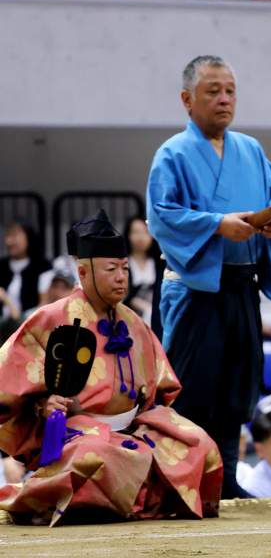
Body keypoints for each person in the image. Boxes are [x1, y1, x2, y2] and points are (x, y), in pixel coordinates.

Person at [0, 211, 222, 526]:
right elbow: (7, 383)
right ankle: (65, 497)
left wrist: (148, 415)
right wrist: (41, 403)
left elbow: (162, 387)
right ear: (83, 272)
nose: (121, 277)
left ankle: (132, 501)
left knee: (199, 443)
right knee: (95, 455)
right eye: (111, 269)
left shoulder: (134, 322)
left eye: (125, 269)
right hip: (77, 432)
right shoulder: (48, 319)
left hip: (136, 425)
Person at [147, 55, 271, 499]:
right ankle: (184, 479)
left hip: (241, 284)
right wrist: (216, 223)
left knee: (236, 384)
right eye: (213, 90)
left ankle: (226, 478)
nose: (224, 99)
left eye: (230, 90)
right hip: (195, 288)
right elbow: (162, 215)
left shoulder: (250, 149)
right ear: (187, 99)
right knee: (193, 387)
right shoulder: (172, 153)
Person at [1, 221, 52, 323]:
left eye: (15, 235)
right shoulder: (2, 266)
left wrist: (5, 299)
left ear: (28, 237)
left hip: (29, 324)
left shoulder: (43, 266)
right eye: (8, 236)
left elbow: (45, 304)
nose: (10, 241)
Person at [123, 216, 163, 327]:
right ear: (128, 235)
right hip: (130, 318)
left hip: (155, 316)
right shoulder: (123, 263)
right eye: (135, 232)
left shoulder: (159, 262)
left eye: (145, 232)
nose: (140, 237)